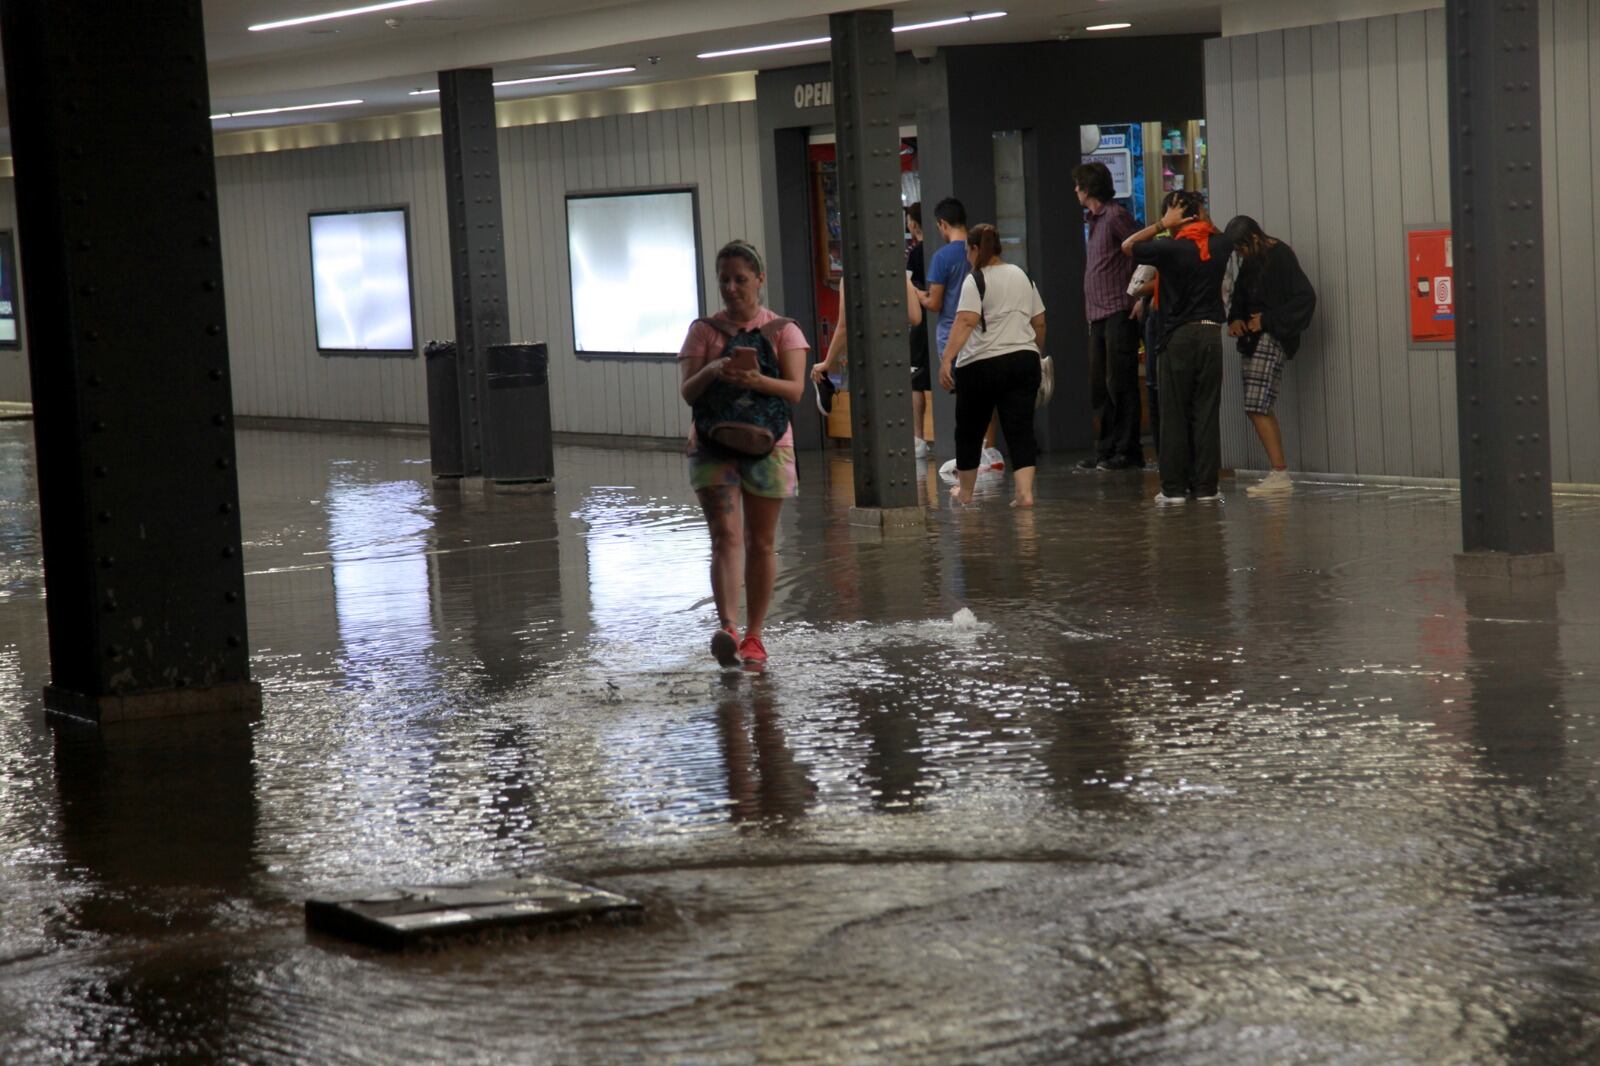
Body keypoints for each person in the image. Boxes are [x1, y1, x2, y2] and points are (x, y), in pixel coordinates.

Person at [679, 240, 808, 666]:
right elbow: (688, 392)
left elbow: (795, 390)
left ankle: (755, 635)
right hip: (711, 446)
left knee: (761, 542)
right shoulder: (703, 331)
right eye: (724, 280)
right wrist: (714, 368)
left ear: (759, 280)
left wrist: (756, 381)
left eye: (740, 279)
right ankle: (729, 628)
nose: (731, 288)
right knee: (725, 536)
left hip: (770, 446)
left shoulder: (784, 329)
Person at [1121, 190, 1231, 504]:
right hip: (1211, 335)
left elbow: (1128, 246)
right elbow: (1217, 232)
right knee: (1206, 413)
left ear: (1174, 216)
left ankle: (1173, 489)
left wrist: (1161, 224)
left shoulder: (1168, 248)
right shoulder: (1220, 244)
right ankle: (1206, 488)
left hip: (1177, 337)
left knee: (1174, 414)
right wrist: (1201, 216)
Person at [937, 223, 1046, 508]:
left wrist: (947, 359)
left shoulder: (975, 280)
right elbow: (1039, 322)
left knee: (969, 431)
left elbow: (966, 321)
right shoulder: (1022, 276)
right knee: (1020, 430)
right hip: (1023, 360)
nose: (967, 257)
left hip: (980, 365)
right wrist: (1034, 351)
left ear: (975, 249)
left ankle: (966, 492)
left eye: (967, 251)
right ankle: (1024, 494)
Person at [1223, 215, 1316, 497]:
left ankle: (1279, 471)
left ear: (1254, 238)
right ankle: (1278, 470)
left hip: (1270, 335)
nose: (1241, 255)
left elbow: (1305, 298)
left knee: (1257, 403)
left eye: (1242, 248)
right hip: (1253, 336)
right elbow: (1240, 297)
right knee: (1256, 404)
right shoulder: (1252, 259)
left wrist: (1266, 320)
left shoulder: (1281, 256)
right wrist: (1235, 319)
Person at [914, 196, 1003, 470]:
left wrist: (915, 292)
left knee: (967, 397)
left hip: (954, 335)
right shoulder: (981, 251)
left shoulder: (942, 257)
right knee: (988, 393)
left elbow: (935, 302)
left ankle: (972, 454)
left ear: (943, 224)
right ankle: (988, 448)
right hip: (985, 330)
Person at [1073, 161, 1144, 472]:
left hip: (1118, 309)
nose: (1075, 190)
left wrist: (1139, 294)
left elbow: (1142, 249)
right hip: (1099, 314)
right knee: (1100, 385)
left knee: (1121, 382)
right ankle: (1107, 448)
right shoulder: (1095, 220)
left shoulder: (1115, 216)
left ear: (1089, 188)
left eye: (1078, 185)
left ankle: (1128, 450)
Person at [905, 202, 933, 458]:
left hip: (921, 322)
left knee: (916, 381)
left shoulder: (915, 253)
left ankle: (918, 438)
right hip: (943, 320)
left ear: (913, 224)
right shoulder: (939, 250)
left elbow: (909, 286)